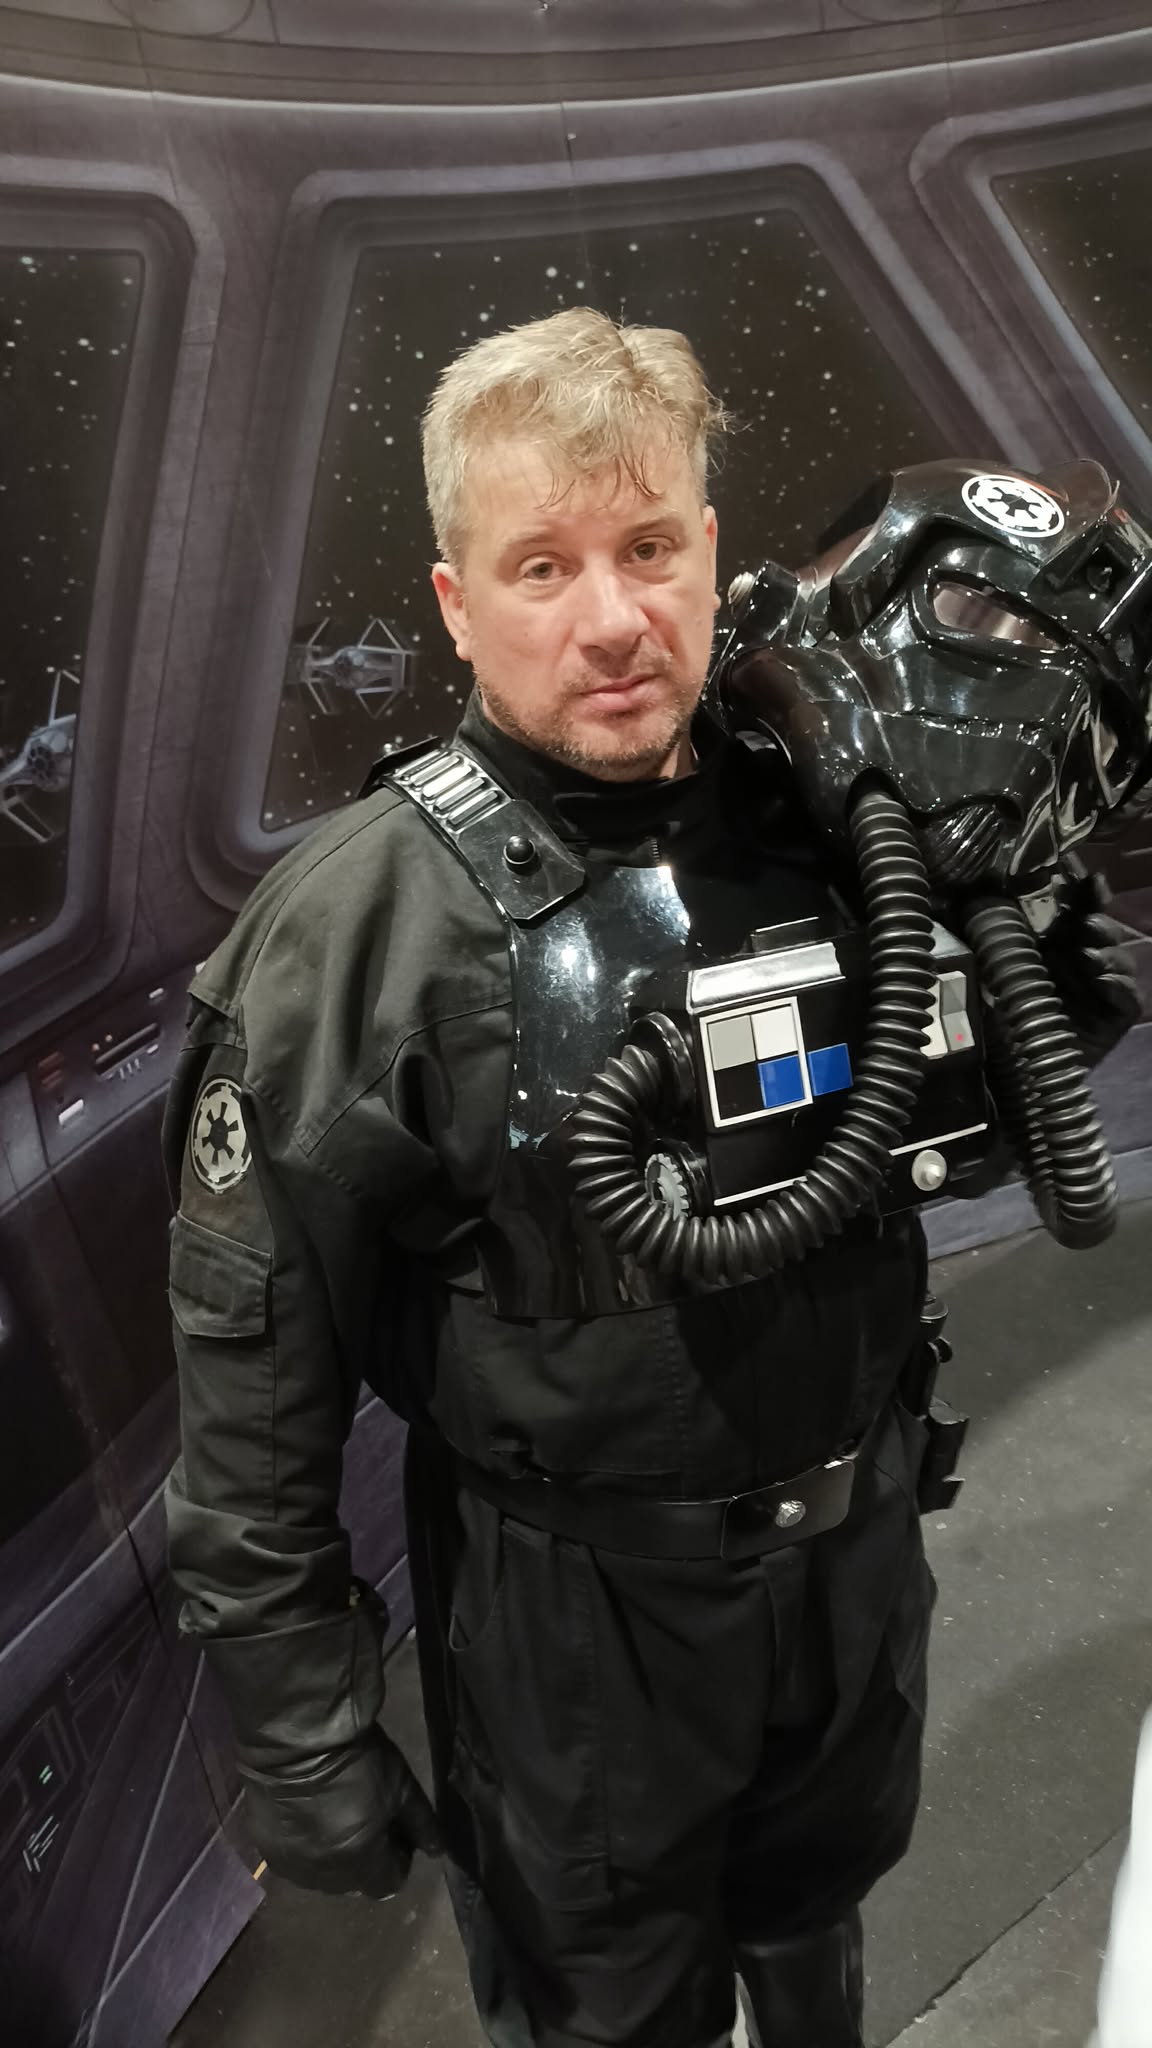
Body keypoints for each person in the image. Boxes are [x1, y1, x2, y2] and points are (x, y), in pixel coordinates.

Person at [163, 308, 1136, 2048]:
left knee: (819, 1920)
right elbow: (253, 1379)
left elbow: (1030, 1068)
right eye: (542, 566)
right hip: (575, 1631)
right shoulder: (363, 931)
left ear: (713, 552)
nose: (612, 619)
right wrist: (303, 1734)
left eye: (650, 547)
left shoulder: (840, 818)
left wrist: (1018, 873)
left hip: (851, 1560)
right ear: (456, 603)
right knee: (609, 2006)